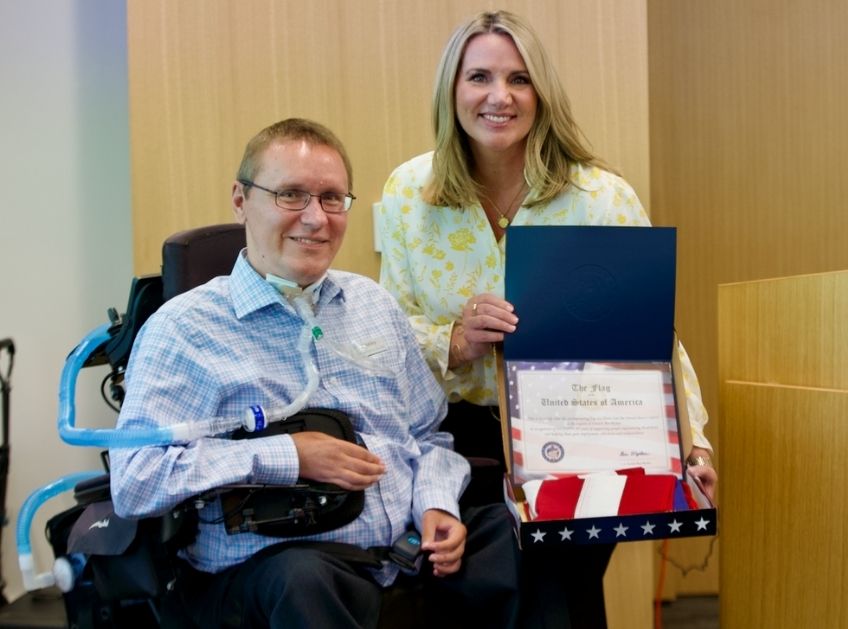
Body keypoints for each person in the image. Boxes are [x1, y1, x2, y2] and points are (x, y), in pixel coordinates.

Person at [377, 10, 718, 628]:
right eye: (479, 76)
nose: (499, 97)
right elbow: (387, 330)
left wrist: (692, 448)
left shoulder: (601, 197)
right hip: (460, 443)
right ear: (452, 90)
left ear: (543, 94)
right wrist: (453, 341)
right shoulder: (408, 193)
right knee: (496, 596)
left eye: (520, 79)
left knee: (559, 583)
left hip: (589, 433)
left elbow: (653, 338)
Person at [109, 118, 520, 629]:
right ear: (240, 200)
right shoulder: (184, 330)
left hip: (400, 554)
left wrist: (435, 507)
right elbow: (136, 481)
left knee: (512, 533)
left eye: (331, 198)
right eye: (291, 195)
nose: (315, 218)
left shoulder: (372, 304)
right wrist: (289, 455)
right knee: (303, 580)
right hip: (280, 567)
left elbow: (427, 434)